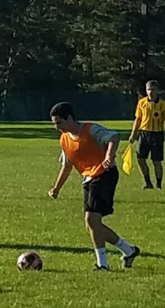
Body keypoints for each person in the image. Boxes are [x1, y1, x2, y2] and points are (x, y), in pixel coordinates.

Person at [48, 102, 141, 271]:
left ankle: (102, 265)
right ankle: (129, 250)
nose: (57, 127)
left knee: (92, 220)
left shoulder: (91, 130)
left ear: (69, 118)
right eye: (55, 124)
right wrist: (56, 188)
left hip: (105, 175)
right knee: (92, 225)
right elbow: (67, 165)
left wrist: (109, 155)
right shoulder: (65, 139)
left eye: (59, 122)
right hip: (89, 179)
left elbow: (114, 137)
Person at [128, 80, 165, 190]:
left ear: (157, 90)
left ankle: (159, 184)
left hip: (157, 135)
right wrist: (133, 134)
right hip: (144, 134)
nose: (151, 92)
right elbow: (138, 119)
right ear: (146, 90)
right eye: (149, 89)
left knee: (157, 161)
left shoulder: (163, 105)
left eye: (153, 89)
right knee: (140, 158)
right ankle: (147, 182)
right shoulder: (141, 103)